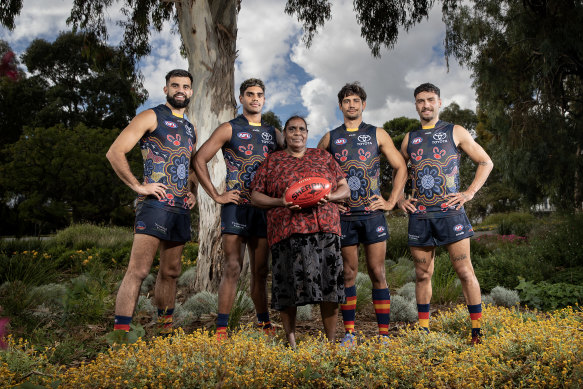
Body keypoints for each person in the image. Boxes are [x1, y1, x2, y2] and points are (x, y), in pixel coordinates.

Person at [397, 83, 493, 344]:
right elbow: (401, 170)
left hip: (451, 213)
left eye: (430, 100)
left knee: (464, 271)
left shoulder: (455, 131)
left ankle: (477, 332)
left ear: (439, 102)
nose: (425, 105)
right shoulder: (410, 138)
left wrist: (469, 193)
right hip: (420, 216)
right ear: (415, 105)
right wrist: (399, 198)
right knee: (422, 274)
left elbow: (485, 162)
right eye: (420, 101)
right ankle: (424, 332)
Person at [106, 69, 197, 336]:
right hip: (155, 204)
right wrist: (138, 186)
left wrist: (191, 189)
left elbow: (189, 165)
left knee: (171, 272)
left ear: (191, 92)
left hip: (180, 209)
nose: (180, 89)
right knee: (139, 270)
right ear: (166, 89)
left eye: (185, 86)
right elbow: (115, 151)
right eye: (175, 85)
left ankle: (164, 334)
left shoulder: (190, 127)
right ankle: (121, 336)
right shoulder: (152, 115)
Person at [317, 82, 407, 346]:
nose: (352, 105)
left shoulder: (377, 134)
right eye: (347, 101)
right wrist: (331, 201)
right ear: (341, 106)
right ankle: (350, 334)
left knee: (378, 272)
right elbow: (315, 171)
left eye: (356, 101)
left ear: (363, 105)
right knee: (348, 274)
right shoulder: (330, 138)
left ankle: (384, 335)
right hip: (344, 217)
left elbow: (400, 166)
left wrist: (391, 201)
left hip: (372, 215)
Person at [194, 78, 283, 340]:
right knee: (232, 266)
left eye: (259, 95)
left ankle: (263, 323)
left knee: (260, 271)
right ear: (241, 99)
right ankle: (222, 329)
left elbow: (289, 163)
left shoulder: (274, 133)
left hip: (264, 210)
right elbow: (199, 158)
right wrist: (216, 195)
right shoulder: (228, 128)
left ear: (264, 99)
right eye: (250, 94)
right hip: (236, 207)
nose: (255, 98)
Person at [250, 116, 349, 347]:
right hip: (287, 230)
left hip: (324, 228)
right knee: (288, 289)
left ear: (307, 133)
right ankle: (291, 342)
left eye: (302, 129)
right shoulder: (272, 161)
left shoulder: (323, 157)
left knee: (330, 287)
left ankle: (331, 343)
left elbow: (345, 188)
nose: (297, 133)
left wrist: (330, 197)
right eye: (292, 129)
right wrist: (281, 202)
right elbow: (255, 196)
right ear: (284, 133)